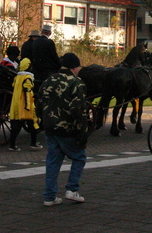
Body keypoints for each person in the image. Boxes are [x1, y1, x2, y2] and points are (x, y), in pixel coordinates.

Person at [36, 53, 89, 206]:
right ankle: (72, 189)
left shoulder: (48, 80)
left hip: (50, 128)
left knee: (53, 161)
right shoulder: (76, 82)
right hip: (68, 129)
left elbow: (39, 102)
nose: (79, 70)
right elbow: (79, 110)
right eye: (78, 67)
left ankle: (49, 196)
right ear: (74, 67)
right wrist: (82, 132)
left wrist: (43, 120)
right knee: (79, 157)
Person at [8, 58, 41, 151]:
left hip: (16, 103)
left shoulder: (17, 77)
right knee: (33, 122)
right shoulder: (28, 78)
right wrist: (28, 106)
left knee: (16, 125)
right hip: (25, 104)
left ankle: (12, 144)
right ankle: (33, 143)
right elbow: (27, 91)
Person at [31, 24, 61, 92]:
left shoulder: (35, 41)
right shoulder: (49, 42)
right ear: (50, 33)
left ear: (42, 32)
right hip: (47, 69)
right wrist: (59, 64)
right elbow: (54, 56)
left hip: (36, 68)